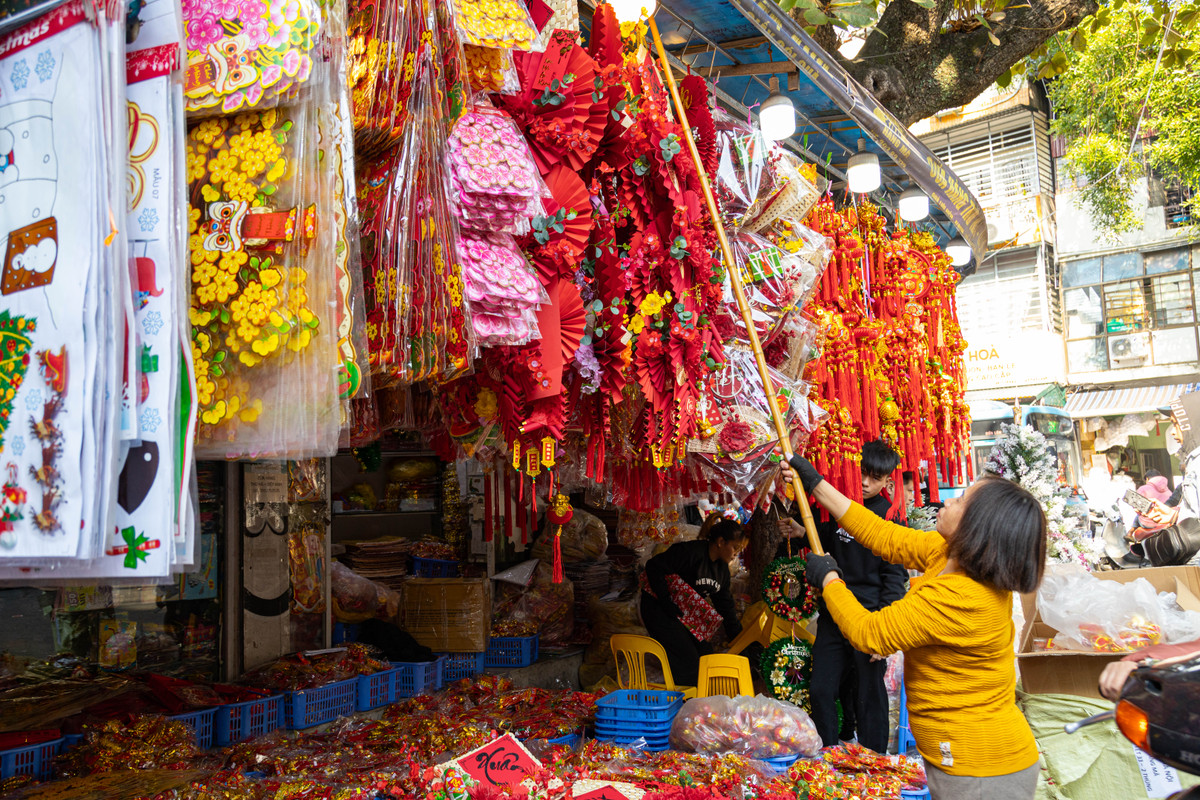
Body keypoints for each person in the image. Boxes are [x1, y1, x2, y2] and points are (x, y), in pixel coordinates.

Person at [782, 456, 1046, 800]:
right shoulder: (948, 554)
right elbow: (882, 535)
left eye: (961, 501)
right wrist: (816, 483)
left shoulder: (961, 596)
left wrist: (829, 578)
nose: (947, 501)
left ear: (978, 527)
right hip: (961, 759)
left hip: (981, 768)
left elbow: (869, 634)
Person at [806, 439, 907, 753]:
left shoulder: (891, 517)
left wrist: (884, 629)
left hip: (869, 619)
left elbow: (895, 578)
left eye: (875, 478)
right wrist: (800, 530)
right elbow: (821, 541)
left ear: (887, 480)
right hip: (835, 614)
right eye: (862, 473)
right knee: (821, 689)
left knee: (869, 695)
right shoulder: (839, 505)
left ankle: (874, 760)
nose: (865, 482)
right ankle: (826, 756)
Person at [640, 516, 746, 686]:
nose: (736, 554)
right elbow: (654, 566)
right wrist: (665, 600)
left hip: (685, 616)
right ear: (721, 542)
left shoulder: (722, 571)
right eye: (735, 547)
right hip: (659, 609)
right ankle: (686, 698)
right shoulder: (689, 552)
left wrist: (741, 639)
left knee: (706, 656)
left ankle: (704, 694)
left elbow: (725, 606)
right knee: (688, 661)